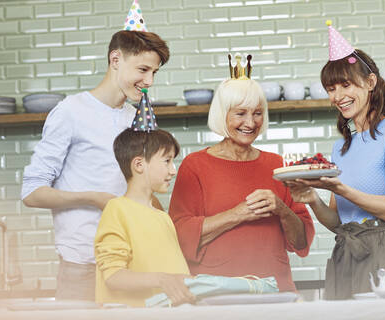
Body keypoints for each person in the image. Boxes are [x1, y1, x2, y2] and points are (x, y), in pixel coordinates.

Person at [21, 29, 170, 300]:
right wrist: (95, 198)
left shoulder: (139, 120)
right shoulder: (70, 112)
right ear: (115, 59)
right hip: (84, 268)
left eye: (154, 73)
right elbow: (32, 193)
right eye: (143, 69)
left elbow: (144, 191)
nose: (148, 81)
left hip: (134, 266)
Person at [286, 22, 385, 299]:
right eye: (331, 88)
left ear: (370, 83)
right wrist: (312, 198)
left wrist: (340, 188)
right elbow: (338, 221)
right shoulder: (342, 148)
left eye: (346, 85)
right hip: (346, 252)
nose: (337, 96)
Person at [168, 55, 315, 292]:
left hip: (274, 292)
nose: (250, 122)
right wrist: (238, 214)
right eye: (240, 113)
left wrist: (282, 209)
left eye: (257, 113)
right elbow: (180, 237)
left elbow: (302, 242)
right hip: (216, 294)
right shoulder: (195, 165)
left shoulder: (277, 165)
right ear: (222, 114)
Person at [94, 128, 195, 307]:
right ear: (139, 165)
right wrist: (162, 280)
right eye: (167, 161)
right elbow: (113, 276)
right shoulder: (117, 209)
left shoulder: (164, 218)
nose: (173, 170)